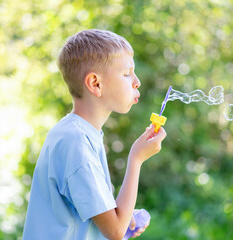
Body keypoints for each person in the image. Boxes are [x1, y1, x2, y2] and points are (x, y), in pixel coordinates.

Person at [22, 29, 166, 240]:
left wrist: (124, 218)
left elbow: (99, 219)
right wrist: (136, 159)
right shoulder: (76, 143)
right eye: (126, 74)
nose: (137, 82)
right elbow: (115, 231)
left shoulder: (78, 134)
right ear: (95, 84)